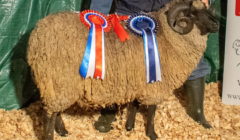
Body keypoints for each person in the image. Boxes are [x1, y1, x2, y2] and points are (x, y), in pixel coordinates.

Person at [89, 0, 212, 132]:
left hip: (169, 12)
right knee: (118, 58)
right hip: (129, 12)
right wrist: (98, 17)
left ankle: (196, 109)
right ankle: (110, 108)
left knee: (191, 54)